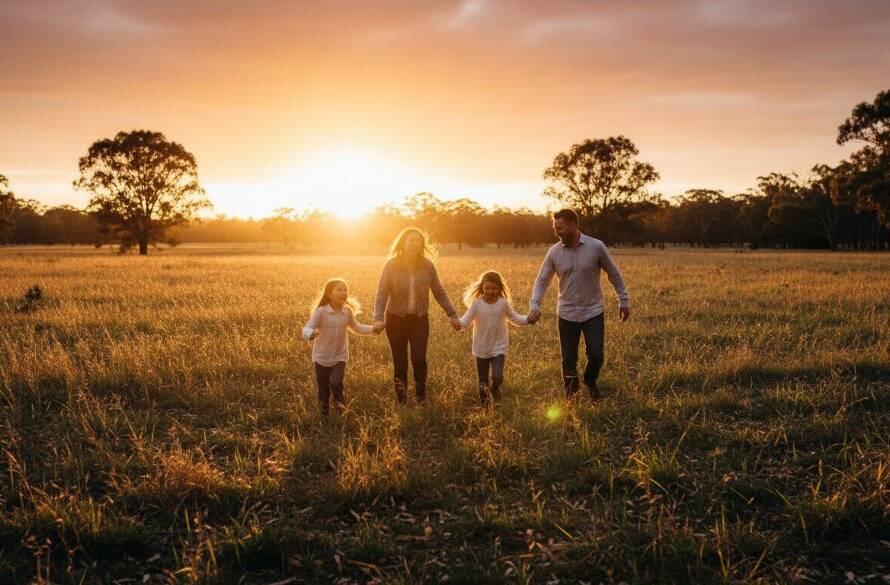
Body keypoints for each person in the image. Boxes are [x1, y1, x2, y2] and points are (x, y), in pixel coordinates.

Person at [528, 209, 630, 399]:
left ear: (573, 225)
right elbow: (542, 281)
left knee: (596, 354)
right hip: (566, 314)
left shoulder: (596, 247)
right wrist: (535, 305)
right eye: (554, 228)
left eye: (559, 228)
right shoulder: (554, 252)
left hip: (593, 312)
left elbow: (614, 274)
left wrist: (623, 300)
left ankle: (590, 381)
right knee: (568, 359)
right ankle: (571, 396)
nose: (556, 232)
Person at [373, 228, 461, 403]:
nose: (415, 243)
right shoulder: (391, 265)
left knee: (419, 359)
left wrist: (452, 314)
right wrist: (378, 318)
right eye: (411, 240)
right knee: (400, 363)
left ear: (422, 244)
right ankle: (402, 400)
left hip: (419, 319)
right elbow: (382, 293)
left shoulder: (428, 266)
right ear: (403, 243)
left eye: (418, 241)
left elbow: (438, 291)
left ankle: (421, 396)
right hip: (395, 319)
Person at [302, 278, 376, 415]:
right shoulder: (321, 311)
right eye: (339, 290)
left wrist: (373, 329)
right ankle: (324, 416)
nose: (344, 292)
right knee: (323, 389)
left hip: (340, 356)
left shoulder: (347, 312)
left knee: (336, 384)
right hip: (321, 357)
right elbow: (307, 327)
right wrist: (310, 334)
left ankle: (341, 410)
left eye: (345, 290)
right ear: (329, 294)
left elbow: (357, 327)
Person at [457, 270, 530, 405]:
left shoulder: (503, 304)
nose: (490, 291)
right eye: (487, 288)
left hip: (499, 347)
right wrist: (458, 324)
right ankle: (485, 406)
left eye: (494, 288)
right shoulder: (476, 304)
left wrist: (528, 319)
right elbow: (465, 321)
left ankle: (495, 388)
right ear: (482, 288)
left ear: (499, 288)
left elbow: (516, 318)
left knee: (497, 376)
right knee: (482, 380)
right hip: (481, 348)